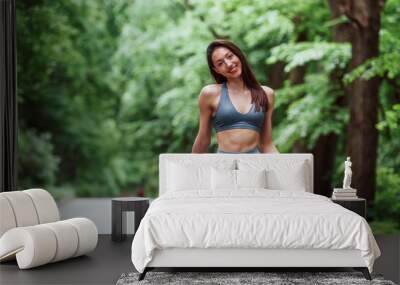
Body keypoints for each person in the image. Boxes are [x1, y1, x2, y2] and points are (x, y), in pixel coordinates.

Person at [191, 39, 279, 154]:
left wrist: (284, 168)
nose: (228, 64)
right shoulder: (209, 94)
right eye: (220, 63)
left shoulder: (267, 94)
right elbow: (203, 140)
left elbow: (266, 144)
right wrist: (189, 169)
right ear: (216, 70)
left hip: (254, 166)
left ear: (238, 55)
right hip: (223, 166)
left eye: (230, 56)